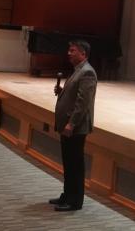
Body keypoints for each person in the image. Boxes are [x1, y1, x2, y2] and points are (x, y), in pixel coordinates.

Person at [49, 40, 97, 212]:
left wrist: (71, 123)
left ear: (83, 54)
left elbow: (83, 103)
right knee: (68, 163)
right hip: (68, 126)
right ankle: (67, 194)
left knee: (75, 165)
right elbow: (75, 96)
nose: (68, 53)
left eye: (72, 50)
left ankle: (75, 201)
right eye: (68, 50)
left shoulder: (87, 73)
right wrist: (62, 92)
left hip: (76, 128)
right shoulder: (78, 70)